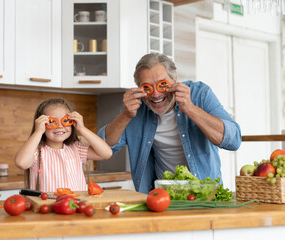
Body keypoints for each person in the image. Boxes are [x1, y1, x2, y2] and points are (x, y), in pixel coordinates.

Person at [98, 53, 241, 194]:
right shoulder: (136, 107)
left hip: (206, 195)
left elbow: (233, 141)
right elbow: (105, 146)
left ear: (175, 80)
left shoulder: (199, 94)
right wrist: (125, 115)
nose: (155, 94)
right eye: (147, 87)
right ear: (139, 87)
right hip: (163, 196)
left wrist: (190, 108)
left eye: (162, 85)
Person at [15, 98, 112, 192]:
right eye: (52, 122)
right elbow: (21, 163)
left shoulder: (76, 148)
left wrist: (82, 129)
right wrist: (38, 132)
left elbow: (106, 153)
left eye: (65, 121)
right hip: (47, 206)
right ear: (42, 124)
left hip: (75, 205)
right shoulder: (36, 152)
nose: (60, 126)